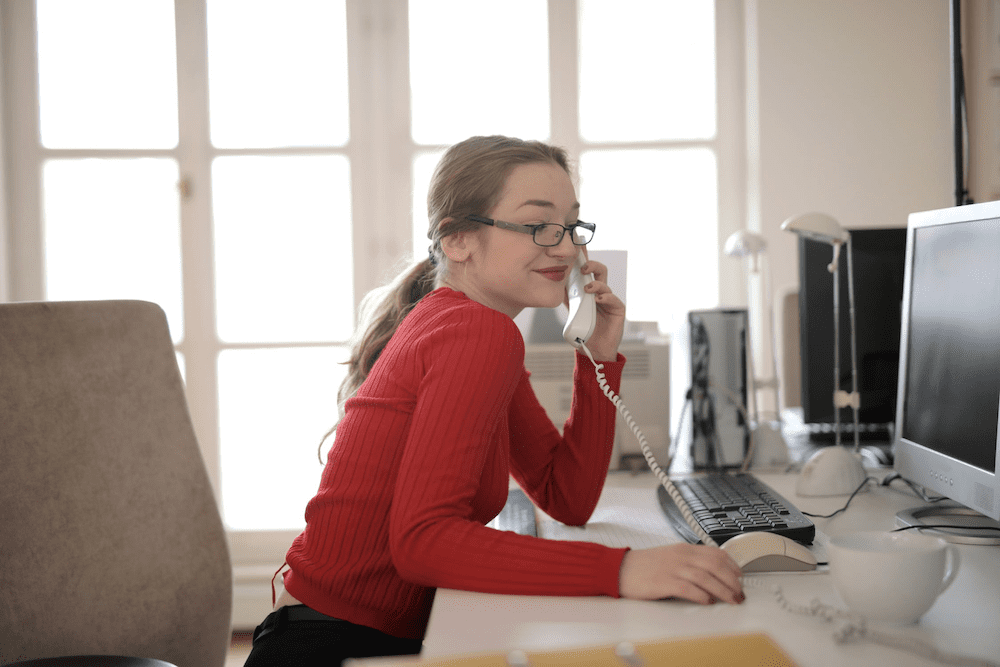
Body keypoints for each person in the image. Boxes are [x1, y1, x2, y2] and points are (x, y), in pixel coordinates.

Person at [243, 135, 744, 667]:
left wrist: (596, 357)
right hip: (334, 646)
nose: (569, 249)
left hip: (345, 633)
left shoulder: (471, 326)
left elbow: (565, 496)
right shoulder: (476, 332)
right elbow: (424, 542)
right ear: (457, 241)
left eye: (572, 226)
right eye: (538, 226)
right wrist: (622, 570)